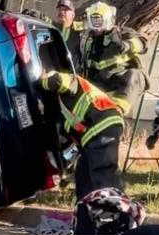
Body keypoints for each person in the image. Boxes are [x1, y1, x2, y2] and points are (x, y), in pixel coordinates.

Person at [39, 70, 125, 199]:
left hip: (103, 124)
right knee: (83, 172)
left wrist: (40, 81)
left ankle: (111, 207)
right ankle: (86, 207)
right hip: (93, 132)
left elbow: (57, 80)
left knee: (102, 171)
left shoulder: (71, 81)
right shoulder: (63, 109)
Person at [79, 1, 146, 116]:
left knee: (134, 75)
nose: (97, 29)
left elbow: (143, 44)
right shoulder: (87, 38)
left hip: (120, 81)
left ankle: (117, 110)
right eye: (94, 22)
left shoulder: (122, 33)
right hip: (98, 83)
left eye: (101, 23)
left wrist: (127, 45)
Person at [53, 0, 84, 66]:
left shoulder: (80, 31)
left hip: (73, 73)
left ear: (73, 14)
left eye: (65, 10)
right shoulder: (53, 29)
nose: (61, 12)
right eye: (59, 9)